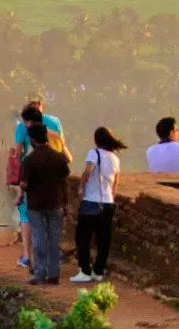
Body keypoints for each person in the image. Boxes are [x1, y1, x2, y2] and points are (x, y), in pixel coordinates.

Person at [14, 118, 76, 284]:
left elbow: (24, 184)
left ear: (32, 140)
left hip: (36, 205)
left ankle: (40, 272)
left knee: (39, 237)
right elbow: (65, 180)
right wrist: (65, 203)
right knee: (54, 239)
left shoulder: (29, 160)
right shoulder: (58, 158)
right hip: (56, 203)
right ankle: (53, 274)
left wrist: (20, 196)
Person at [75, 125, 123, 281]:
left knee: (83, 237)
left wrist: (81, 189)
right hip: (108, 201)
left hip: (91, 201)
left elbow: (88, 171)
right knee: (103, 239)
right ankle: (98, 271)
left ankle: (85, 271)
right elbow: (115, 183)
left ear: (96, 141)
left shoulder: (94, 153)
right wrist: (111, 198)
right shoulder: (115, 158)